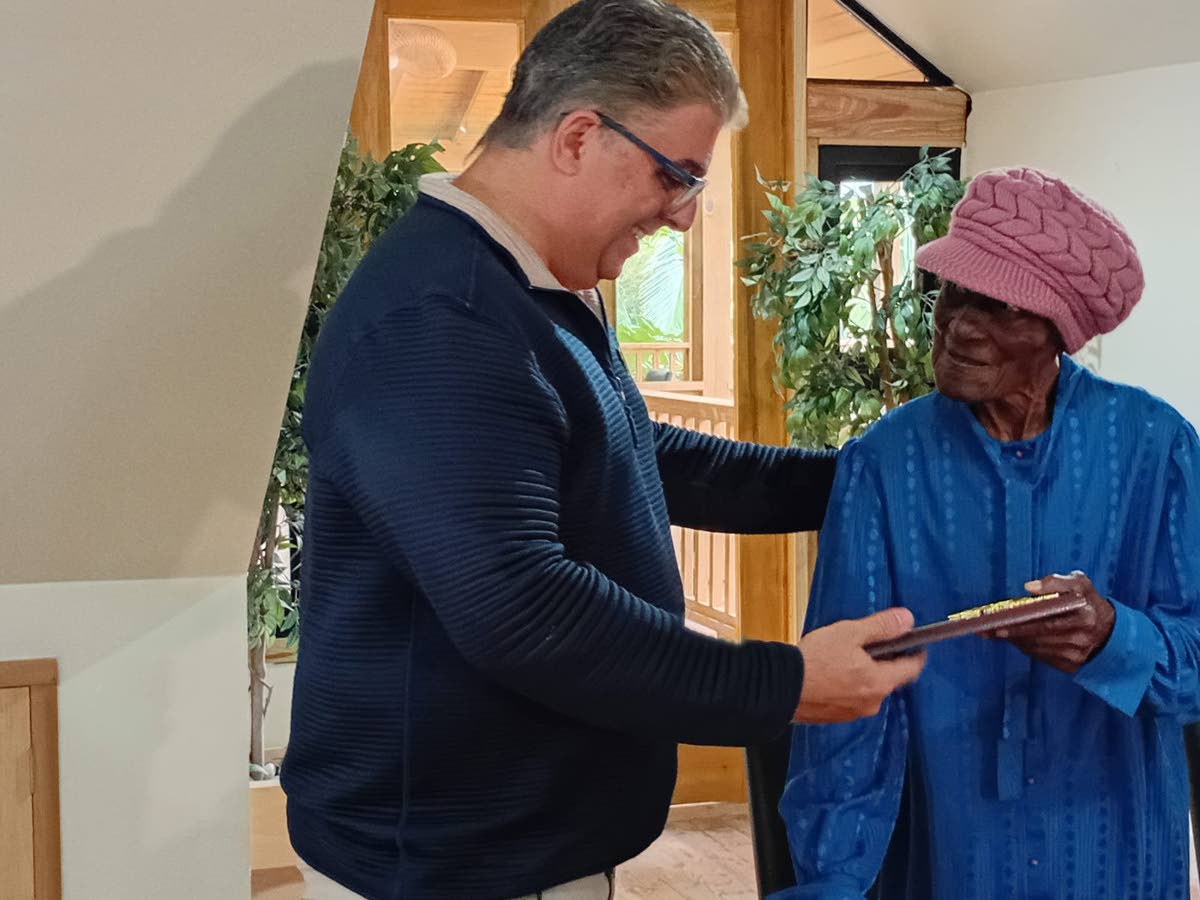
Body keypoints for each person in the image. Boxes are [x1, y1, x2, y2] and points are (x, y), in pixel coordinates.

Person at [281, 2, 924, 898]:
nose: (684, 217)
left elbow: (642, 458)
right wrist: (782, 685)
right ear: (580, 136)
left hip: (526, 845)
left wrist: (875, 476)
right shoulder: (442, 319)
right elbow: (524, 609)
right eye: (677, 176)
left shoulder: (530, 288)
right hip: (449, 863)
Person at [779, 166, 1200, 899]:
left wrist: (1113, 638)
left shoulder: (1155, 446)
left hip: (1113, 847)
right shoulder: (885, 463)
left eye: (1003, 309)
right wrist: (830, 882)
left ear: (1058, 333)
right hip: (950, 845)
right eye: (956, 292)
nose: (962, 324)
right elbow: (848, 702)